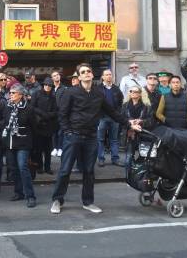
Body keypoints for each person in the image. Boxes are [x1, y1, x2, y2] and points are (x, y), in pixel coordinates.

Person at [50, 63, 141, 215]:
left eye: (88, 71)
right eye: (83, 72)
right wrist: (68, 132)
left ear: (92, 75)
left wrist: (128, 123)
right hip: (73, 137)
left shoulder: (99, 94)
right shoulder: (71, 92)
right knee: (65, 170)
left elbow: (112, 112)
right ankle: (57, 200)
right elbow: (62, 114)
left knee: (89, 171)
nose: (86, 73)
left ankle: (88, 202)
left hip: (91, 137)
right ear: (79, 77)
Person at [4, 83, 37, 208]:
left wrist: (31, 143)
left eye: (13, 93)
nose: (10, 95)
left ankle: (30, 196)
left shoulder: (28, 108)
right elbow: (5, 122)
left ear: (21, 95)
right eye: (10, 93)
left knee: (23, 167)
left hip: (23, 142)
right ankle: (19, 192)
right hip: (10, 142)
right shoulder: (7, 107)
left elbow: (34, 126)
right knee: (13, 168)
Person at [96, 69, 124, 168]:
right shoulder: (98, 89)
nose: (109, 76)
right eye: (106, 75)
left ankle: (115, 159)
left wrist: (118, 114)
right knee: (100, 139)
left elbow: (121, 103)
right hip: (102, 118)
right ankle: (101, 159)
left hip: (114, 118)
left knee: (114, 139)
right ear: (102, 77)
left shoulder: (116, 89)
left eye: (110, 74)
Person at [122, 85, 152, 170]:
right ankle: (128, 176)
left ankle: (140, 176)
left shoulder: (146, 106)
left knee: (143, 157)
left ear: (140, 94)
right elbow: (121, 119)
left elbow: (151, 121)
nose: (133, 93)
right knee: (128, 158)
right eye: (131, 91)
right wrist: (129, 122)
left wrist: (141, 121)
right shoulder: (125, 105)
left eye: (136, 92)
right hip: (129, 134)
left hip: (142, 134)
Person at [32, 78, 58, 175]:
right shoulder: (36, 94)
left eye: (50, 85)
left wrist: (48, 115)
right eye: (46, 85)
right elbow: (32, 107)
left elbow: (56, 111)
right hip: (38, 124)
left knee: (48, 149)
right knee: (38, 148)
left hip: (49, 125)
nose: (47, 87)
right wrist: (42, 114)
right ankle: (39, 167)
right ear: (43, 85)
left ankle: (47, 167)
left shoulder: (53, 97)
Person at [51, 70, 67, 158]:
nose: (57, 76)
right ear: (52, 78)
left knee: (61, 132)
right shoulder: (51, 88)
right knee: (54, 132)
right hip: (53, 114)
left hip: (61, 113)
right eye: (54, 75)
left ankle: (60, 148)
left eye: (57, 75)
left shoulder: (64, 88)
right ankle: (55, 148)